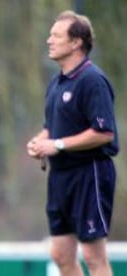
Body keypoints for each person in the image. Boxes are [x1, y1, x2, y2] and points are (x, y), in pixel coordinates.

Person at [27, 10, 118, 276]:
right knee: (61, 254)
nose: (49, 40)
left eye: (56, 35)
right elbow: (51, 128)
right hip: (60, 177)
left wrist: (58, 145)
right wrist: (40, 142)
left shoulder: (92, 81)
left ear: (76, 42)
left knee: (93, 255)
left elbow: (104, 132)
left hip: (89, 174)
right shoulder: (56, 82)